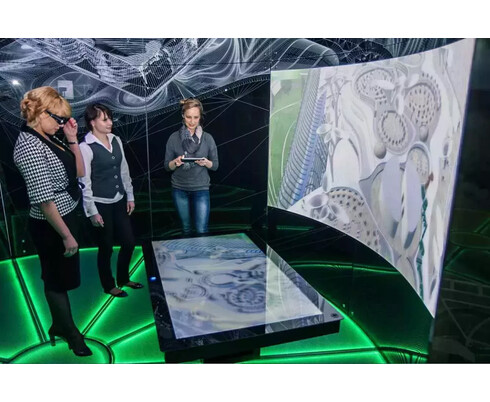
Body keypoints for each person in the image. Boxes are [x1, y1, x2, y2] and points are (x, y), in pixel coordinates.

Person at [13, 86, 92, 357]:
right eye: (58, 119)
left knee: (62, 277)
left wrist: (71, 138)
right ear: (40, 113)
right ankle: (70, 332)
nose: (62, 124)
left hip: (66, 214)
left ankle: (60, 325)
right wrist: (66, 235)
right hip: (51, 225)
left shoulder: (49, 136)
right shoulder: (29, 146)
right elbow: (45, 201)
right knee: (56, 280)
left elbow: (79, 172)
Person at [79, 103, 143, 298]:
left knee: (129, 242)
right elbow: (84, 182)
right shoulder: (85, 147)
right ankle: (108, 285)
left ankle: (123, 278)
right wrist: (92, 211)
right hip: (100, 204)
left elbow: (124, 170)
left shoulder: (116, 139)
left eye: (110, 118)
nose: (110, 123)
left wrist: (130, 195)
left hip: (119, 199)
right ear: (92, 122)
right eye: (104, 119)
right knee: (106, 247)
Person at [164, 98, 219, 236]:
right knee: (186, 229)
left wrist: (206, 162)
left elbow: (215, 165)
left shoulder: (208, 138)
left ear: (200, 117)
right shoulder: (173, 138)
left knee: (201, 230)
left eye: (196, 117)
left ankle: (202, 251)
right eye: (189, 117)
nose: (192, 121)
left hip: (201, 189)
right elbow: (167, 166)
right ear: (183, 115)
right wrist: (175, 162)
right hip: (179, 189)